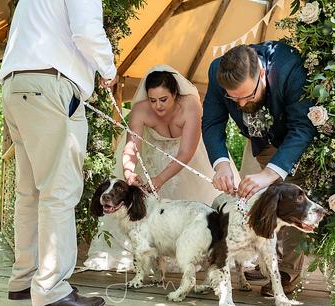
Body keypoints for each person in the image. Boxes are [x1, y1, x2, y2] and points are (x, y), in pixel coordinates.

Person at [0, 0, 116, 305]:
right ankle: (51, 289)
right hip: (50, 85)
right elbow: (86, 31)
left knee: (30, 192)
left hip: (16, 85)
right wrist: (108, 68)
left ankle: (25, 279)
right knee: (59, 190)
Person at [84, 65, 240, 271]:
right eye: (152, 100)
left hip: (186, 160)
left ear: (175, 94)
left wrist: (159, 180)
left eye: (163, 99)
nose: (157, 106)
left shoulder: (191, 106)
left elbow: (185, 152)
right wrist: (129, 172)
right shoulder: (140, 110)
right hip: (150, 156)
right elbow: (132, 146)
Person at [202, 42, 317, 296]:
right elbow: (212, 123)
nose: (241, 104)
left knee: (295, 201)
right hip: (262, 138)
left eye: (248, 96)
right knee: (267, 201)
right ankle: (268, 261)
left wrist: (270, 173)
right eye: (234, 98)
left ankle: (287, 270)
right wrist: (221, 165)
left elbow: (303, 127)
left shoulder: (288, 68)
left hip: (296, 140)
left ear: (262, 74)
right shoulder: (215, 71)